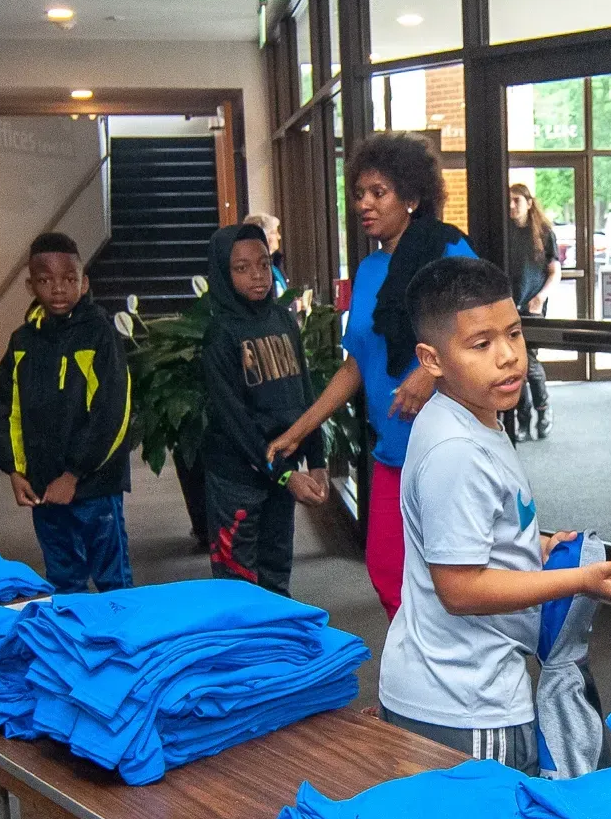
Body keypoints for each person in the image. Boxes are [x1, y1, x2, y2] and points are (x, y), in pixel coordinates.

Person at [377, 257, 611, 771]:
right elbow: (459, 589)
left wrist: (532, 545)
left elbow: (476, 529)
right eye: (481, 344)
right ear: (430, 360)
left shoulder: (475, 417)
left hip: (459, 687)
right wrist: (581, 580)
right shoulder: (457, 449)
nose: (509, 358)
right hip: (465, 704)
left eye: (514, 334)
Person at [266, 133, 477, 618]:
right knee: (388, 574)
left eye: (378, 193)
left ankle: (442, 687)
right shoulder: (367, 270)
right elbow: (357, 363)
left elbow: (486, 333)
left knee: (455, 578)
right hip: (392, 448)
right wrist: (298, 431)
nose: (364, 204)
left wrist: (430, 370)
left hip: (447, 444)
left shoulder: (447, 249)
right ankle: (415, 686)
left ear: (411, 198)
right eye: (359, 194)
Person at [0, 231, 135, 594]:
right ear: (30, 285)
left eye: (69, 279)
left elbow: (113, 414)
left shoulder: (100, 334)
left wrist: (74, 473)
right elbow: (8, 410)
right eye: (45, 280)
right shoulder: (22, 342)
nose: (58, 289)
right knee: (64, 579)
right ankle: (74, 647)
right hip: (44, 486)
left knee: (112, 579)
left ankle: (122, 645)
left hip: (95, 486)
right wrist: (15, 469)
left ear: (84, 283)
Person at [199, 223, 329, 595]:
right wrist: (286, 475)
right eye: (242, 268)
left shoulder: (283, 319)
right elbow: (234, 421)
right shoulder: (220, 334)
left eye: (263, 264)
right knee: (238, 582)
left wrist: (317, 460)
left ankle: (279, 650)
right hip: (238, 478)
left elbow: (305, 394)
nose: (258, 275)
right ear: (223, 274)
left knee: (276, 571)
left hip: (279, 473)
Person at [501, 183, 558, 442]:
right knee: (516, 364)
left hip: (533, 307)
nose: (512, 205)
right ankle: (522, 419)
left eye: (517, 200)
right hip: (507, 308)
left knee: (529, 363)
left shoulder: (544, 233)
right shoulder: (503, 231)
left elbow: (555, 272)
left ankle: (542, 411)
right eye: (509, 201)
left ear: (529, 203)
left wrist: (541, 296)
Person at [243, 212, 289, 295]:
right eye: (274, 232)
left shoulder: (275, 262)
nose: (279, 237)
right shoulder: (251, 266)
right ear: (263, 236)